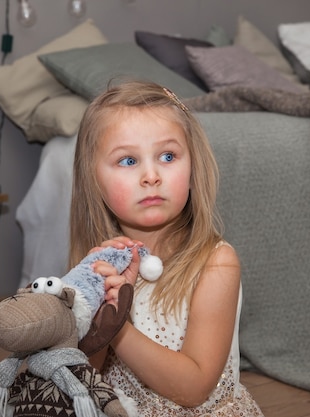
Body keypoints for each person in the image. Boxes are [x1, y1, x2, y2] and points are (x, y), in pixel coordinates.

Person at [69, 80, 264, 416]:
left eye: (168, 156)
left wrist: (118, 329)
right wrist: (97, 310)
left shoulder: (216, 263)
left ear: (192, 166)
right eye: (128, 161)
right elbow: (84, 378)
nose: (151, 175)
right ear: (93, 179)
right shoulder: (101, 261)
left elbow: (193, 388)